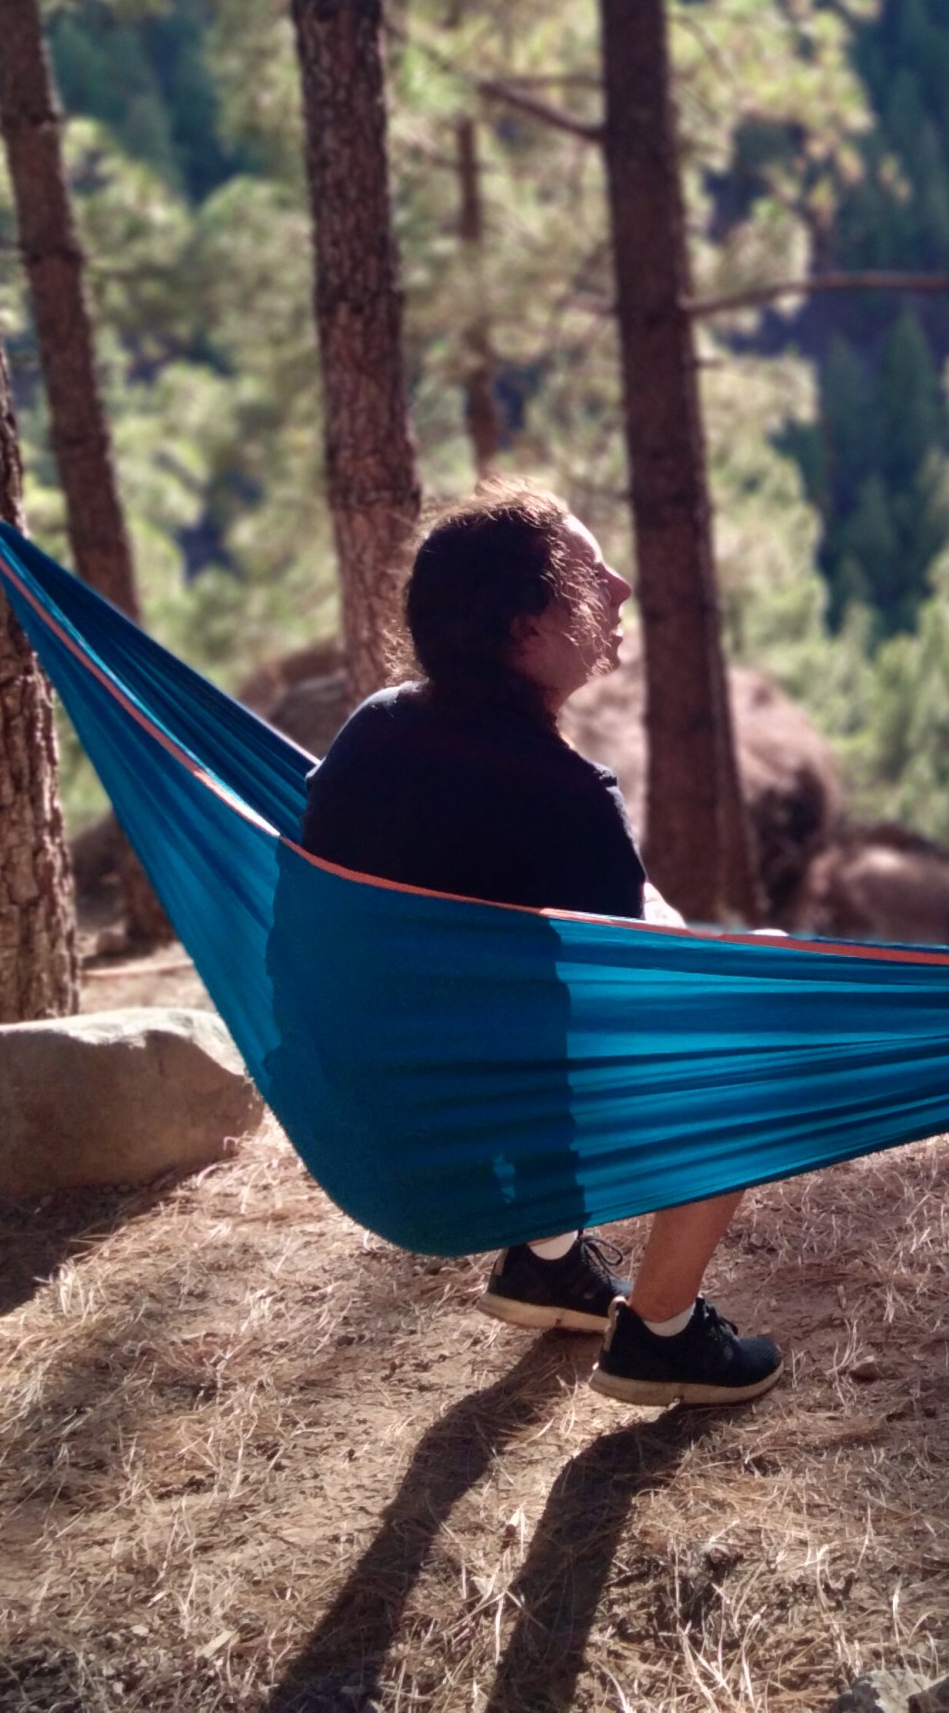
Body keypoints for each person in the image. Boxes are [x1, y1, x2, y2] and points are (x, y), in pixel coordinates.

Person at [301, 480, 783, 1408]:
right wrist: (728, 951)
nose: (621, 589)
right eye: (591, 576)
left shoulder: (380, 725)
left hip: (358, 1102)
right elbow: (642, 983)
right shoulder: (560, 793)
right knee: (759, 1000)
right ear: (526, 625)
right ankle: (663, 1333)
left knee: (526, 1008)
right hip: (466, 1128)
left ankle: (547, 1261)